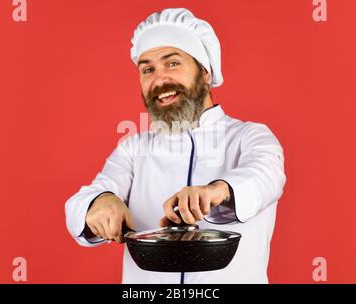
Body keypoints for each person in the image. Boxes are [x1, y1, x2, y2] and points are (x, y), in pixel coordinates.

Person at [65, 8, 286, 284]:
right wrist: (100, 202)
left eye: (172, 64)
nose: (159, 80)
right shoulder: (133, 149)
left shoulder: (249, 136)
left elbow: (266, 176)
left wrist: (217, 191)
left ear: (205, 72)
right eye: (148, 69)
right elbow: (81, 203)